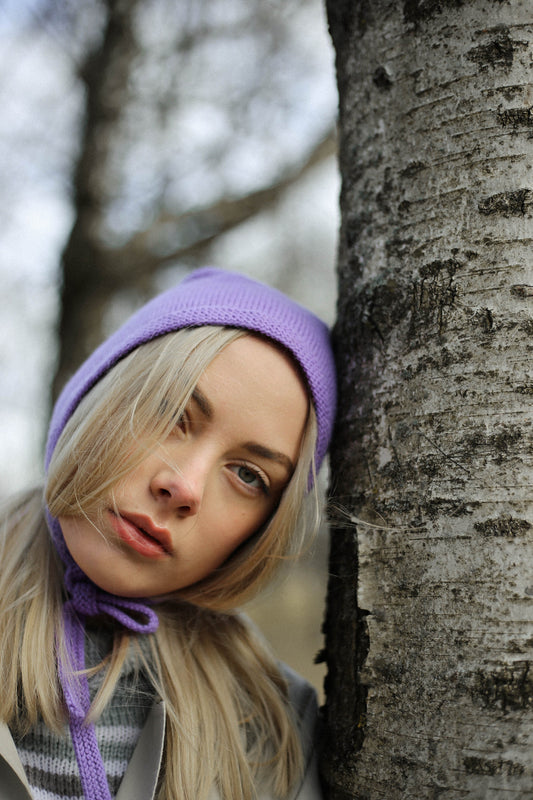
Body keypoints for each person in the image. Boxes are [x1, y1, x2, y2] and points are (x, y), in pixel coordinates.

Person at [0, 267, 336, 800]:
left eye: (249, 475)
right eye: (170, 413)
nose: (183, 487)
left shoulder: (275, 730)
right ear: (97, 395)